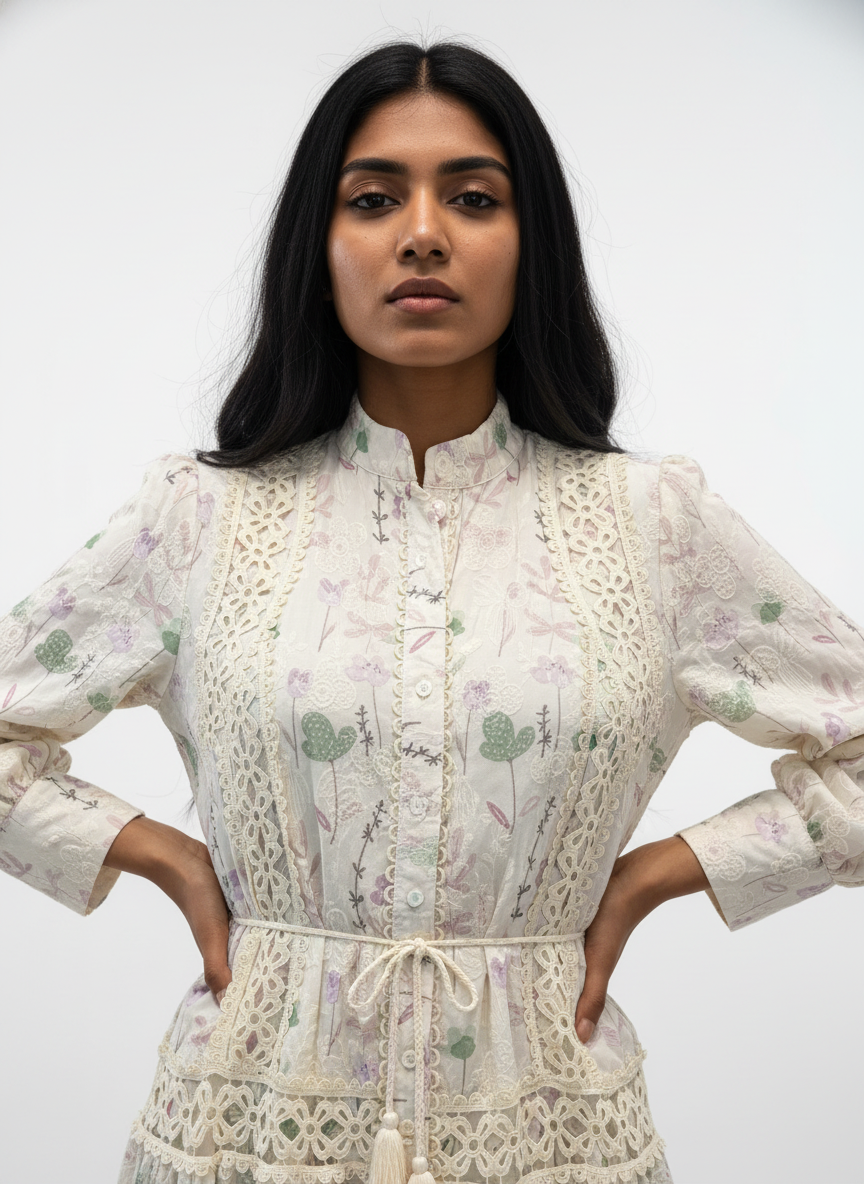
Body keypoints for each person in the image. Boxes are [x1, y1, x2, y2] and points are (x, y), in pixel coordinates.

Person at [1, 38, 862, 1184]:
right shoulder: (203, 517)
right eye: (372, 198)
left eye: (473, 197)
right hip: (246, 1126)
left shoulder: (650, 523)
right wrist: (158, 854)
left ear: (532, 243)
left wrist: (665, 871)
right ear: (318, 246)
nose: (422, 232)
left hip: (550, 1129)